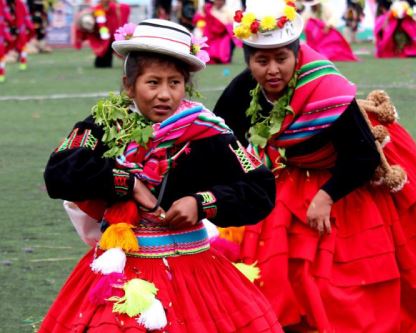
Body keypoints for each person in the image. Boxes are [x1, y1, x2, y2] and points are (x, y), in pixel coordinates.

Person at [213, 0, 416, 331]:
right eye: (261, 60)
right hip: (297, 166)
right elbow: (223, 135)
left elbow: (363, 157)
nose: (272, 70)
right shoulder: (245, 87)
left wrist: (326, 197)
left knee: (346, 255)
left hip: (353, 166)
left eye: (282, 58)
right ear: (248, 60)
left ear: (297, 55)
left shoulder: (325, 87)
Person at [39, 18, 282, 332]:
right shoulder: (105, 123)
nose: (165, 94)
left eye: (175, 82)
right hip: (124, 265)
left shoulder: (208, 131)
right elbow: (58, 172)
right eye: (153, 82)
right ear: (130, 85)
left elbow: (260, 188)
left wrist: (202, 203)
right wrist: (127, 182)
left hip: (194, 268)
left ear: (186, 84)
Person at [74, 0, 130, 68]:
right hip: (103, 34)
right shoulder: (97, 10)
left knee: (110, 49)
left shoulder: (115, 8)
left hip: (111, 33)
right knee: (105, 51)